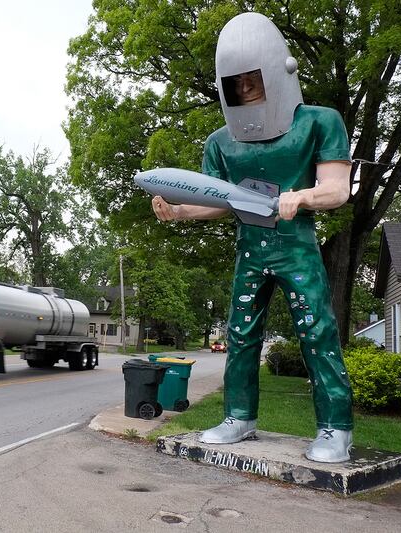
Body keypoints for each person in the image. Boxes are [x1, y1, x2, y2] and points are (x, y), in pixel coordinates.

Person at [152, 12, 354, 463]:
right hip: (251, 250)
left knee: (317, 331)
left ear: (278, 74)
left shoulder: (319, 122)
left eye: (253, 81)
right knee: (240, 334)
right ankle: (238, 417)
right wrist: (179, 211)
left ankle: (336, 427)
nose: (245, 90)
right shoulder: (220, 142)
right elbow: (219, 200)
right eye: (236, 84)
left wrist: (301, 196)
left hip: (296, 248)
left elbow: (338, 189)